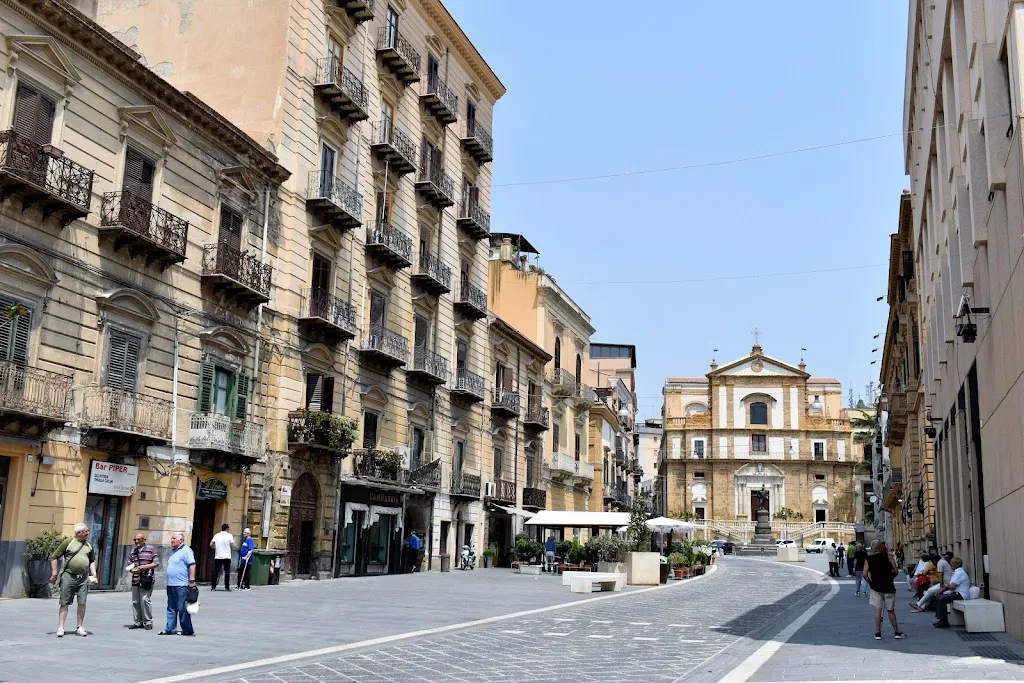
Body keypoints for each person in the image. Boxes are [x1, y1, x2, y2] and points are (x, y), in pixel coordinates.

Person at [49, 523, 97, 637]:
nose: (88, 533)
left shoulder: (89, 544)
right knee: (64, 602)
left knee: (82, 602)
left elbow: (92, 560)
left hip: (84, 578)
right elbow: (54, 556)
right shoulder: (68, 542)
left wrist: (94, 573)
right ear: (78, 533)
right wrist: (54, 573)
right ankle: (61, 627)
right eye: (86, 531)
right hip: (69, 576)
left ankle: (79, 627)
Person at [864, 539, 905, 640]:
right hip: (888, 586)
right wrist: (891, 577)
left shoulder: (868, 559)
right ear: (880, 547)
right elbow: (896, 570)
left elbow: (865, 574)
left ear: (872, 548)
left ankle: (878, 633)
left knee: (878, 610)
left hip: (876, 588)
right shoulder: (888, 556)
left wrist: (870, 583)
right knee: (890, 610)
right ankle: (897, 632)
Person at [160, 532, 196, 636]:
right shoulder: (174, 551)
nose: (172, 540)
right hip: (171, 584)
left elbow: (192, 565)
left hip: (182, 584)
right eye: (171, 538)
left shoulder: (186, 550)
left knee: (182, 608)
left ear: (181, 540)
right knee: (171, 607)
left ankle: (187, 629)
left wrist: (192, 580)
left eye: (174, 538)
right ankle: (170, 629)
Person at [128, 533, 159, 630]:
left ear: (144, 540)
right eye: (135, 540)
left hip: (147, 579)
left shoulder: (151, 549)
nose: (137, 542)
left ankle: (148, 622)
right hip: (135, 579)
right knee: (135, 601)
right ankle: (138, 622)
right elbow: (130, 563)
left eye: (139, 539)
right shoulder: (133, 550)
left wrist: (144, 567)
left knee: (145, 600)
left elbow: (156, 563)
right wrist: (131, 570)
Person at [933, 557, 971, 628]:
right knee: (940, 598)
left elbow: (952, 586)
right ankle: (942, 620)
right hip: (955, 593)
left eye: (952, 563)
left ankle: (943, 622)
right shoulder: (956, 572)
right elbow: (950, 586)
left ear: (958, 564)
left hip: (961, 594)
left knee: (942, 599)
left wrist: (943, 589)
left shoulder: (960, 573)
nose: (950, 564)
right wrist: (941, 591)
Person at [209, 523, 235, 591]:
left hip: (218, 556)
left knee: (216, 571)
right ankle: (227, 586)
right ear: (227, 529)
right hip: (227, 556)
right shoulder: (229, 536)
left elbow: (211, 544)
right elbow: (232, 545)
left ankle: (213, 587)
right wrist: (231, 550)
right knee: (227, 572)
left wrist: (215, 548)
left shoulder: (217, 535)